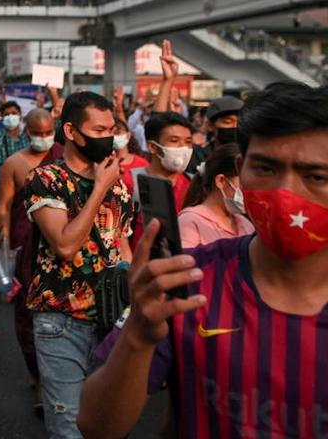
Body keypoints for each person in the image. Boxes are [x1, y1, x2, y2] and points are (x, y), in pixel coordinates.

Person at [79, 82, 328, 438]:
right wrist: (138, 336)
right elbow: (95, 424)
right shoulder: (185, 280)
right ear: (240, 170)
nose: (285, 195)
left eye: (315, 176)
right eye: (266, 169)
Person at [24, 91, 133, 439]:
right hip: (61, 319)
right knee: (69, 426)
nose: (107, 138)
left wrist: (129, 299)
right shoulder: (47, 179)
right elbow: (66, 245)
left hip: (110, 318)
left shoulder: (119, 184)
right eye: (98, 130)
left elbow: (122, 245)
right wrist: (100, 188)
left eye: (111, 129)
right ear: (71, 132)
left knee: (111, 423)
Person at [0, 108, 57, 409]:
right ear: (26, 130)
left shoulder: (63, 158)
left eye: (49, 133)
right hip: (26, 250)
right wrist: (6, 249)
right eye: (38, 133)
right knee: (27, 320)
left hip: (60, 247)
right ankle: (38, 379)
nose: (44, 139)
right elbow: (5, 207)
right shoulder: (14, 163)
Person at [122, 111, 194, 240]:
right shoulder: (129, 182)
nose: (183, 148)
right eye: (174, 140)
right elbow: (119, 237)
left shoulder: (194, 183)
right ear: (152, 147)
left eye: (188, 142)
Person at [177, 143, 253, 249]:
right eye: (243, 182)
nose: (250, 189)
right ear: (221, 181)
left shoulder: (245, 224)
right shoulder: (190, 221)